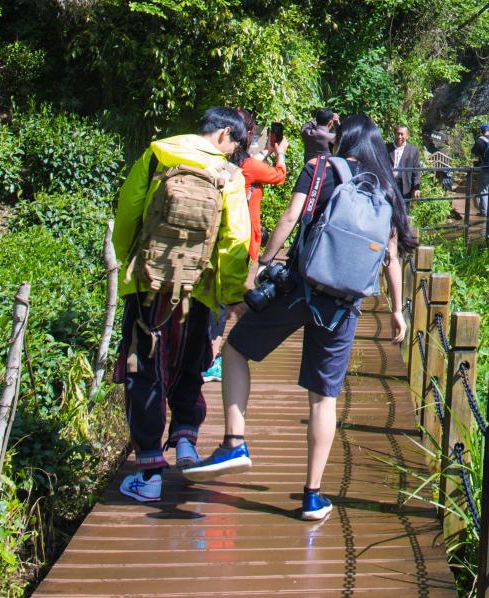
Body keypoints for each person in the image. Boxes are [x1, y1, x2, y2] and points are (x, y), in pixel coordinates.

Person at [186, 113, 415, 522]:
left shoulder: (321, 168)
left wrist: (262, 264)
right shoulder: (385, 185)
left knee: (236, 350)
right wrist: (397, 311)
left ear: (344, 139)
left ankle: (235, 441)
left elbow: (290, 219)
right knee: (323, 399)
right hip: (344, 305)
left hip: (299, 287)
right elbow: (392, 255)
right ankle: (312, 496)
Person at [110, 107, 253, 504]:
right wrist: (230, 294)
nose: (234, 151)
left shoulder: (158, 154)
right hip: (200, 289)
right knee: (190, 367)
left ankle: (150, 472)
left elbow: (128, 211)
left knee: (145, 370)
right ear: (224, 134)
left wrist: (131, 264)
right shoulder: (229, 176)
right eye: (235, 144)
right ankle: (187, 442)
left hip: (149, 286)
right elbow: (234, 239)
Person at [204, 115, 290, 382]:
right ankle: (213, 359)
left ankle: (206, 355)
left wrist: (265, 152)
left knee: (211, 298)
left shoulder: (222, 160)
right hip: (242, 237)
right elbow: (279, 177)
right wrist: (281, 155)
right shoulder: (250, 166)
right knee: (227, 302)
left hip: (213, 237)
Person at [387, 123, 421, 202]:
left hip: (405, 187)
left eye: (402, 134)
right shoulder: (386, 148)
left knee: (404, 211)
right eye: (398, 134)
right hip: (389, 185)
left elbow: (416, 170)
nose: (399, 137)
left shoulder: (413, 150)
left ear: (407, 136)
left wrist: (416, 188)